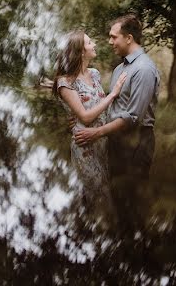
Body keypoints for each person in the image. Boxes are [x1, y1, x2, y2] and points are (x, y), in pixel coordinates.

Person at [73, 14, 159, 228]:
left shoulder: (144, 69)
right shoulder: (120, 69)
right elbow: (110, 107)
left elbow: (132, 118)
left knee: (134, 199)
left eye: (114, 37)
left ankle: (141, 244)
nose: (110, 42)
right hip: (117, 141)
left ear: (128, 38)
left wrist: (96, 133)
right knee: (118, 199)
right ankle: (123, 245)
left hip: (137, 142)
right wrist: (80, 120)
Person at [53, 29, 127, 212]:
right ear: (79, 51)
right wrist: (113, 94)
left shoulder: (94, 74)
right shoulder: (65, 83)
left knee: (102, 191)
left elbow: (97, 106)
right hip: (85, 145)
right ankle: (100, 229)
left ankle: (92, 225)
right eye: (89, 43)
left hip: (103, 142)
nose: (94, 44)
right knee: (101, 195)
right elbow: (85, 116)